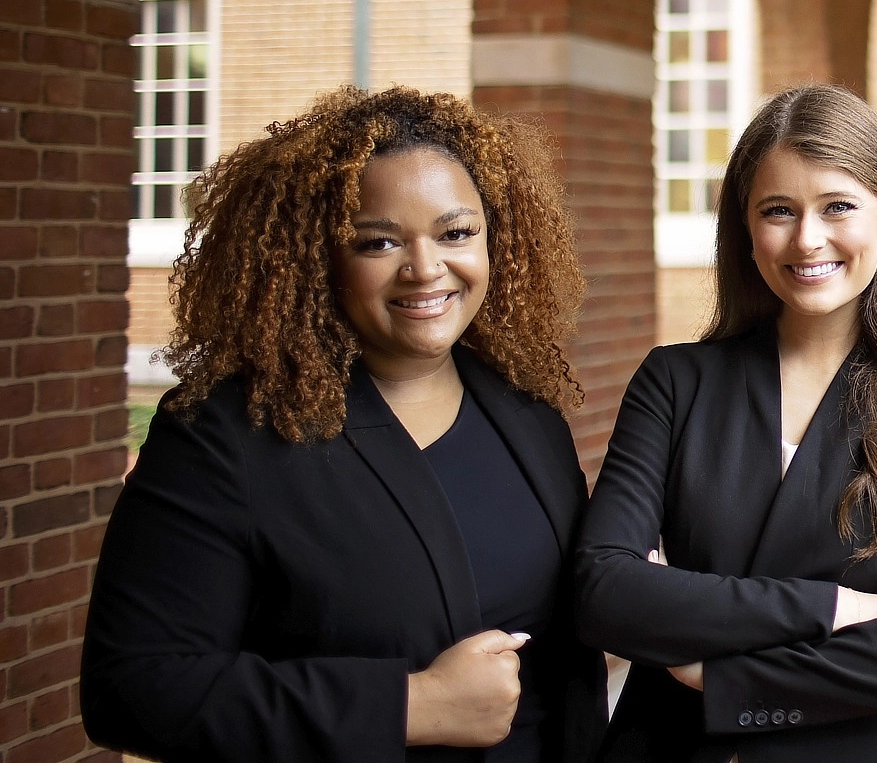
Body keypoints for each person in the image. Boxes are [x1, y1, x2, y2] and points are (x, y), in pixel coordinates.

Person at [82, 87, 608, 763]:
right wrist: (411, 704)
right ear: (316, 258)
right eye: (378, 241)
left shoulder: (527, 416)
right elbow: (132, 689)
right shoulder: (224, 438)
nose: (425, 268)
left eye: (456, 233)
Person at [577, 84, 877, 762]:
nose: (807, 239)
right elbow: (603, 594)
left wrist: (717, 674)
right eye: (778, 210)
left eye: (838, 207)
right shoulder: (675, 384)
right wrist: (830, 608)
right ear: (744, 227)